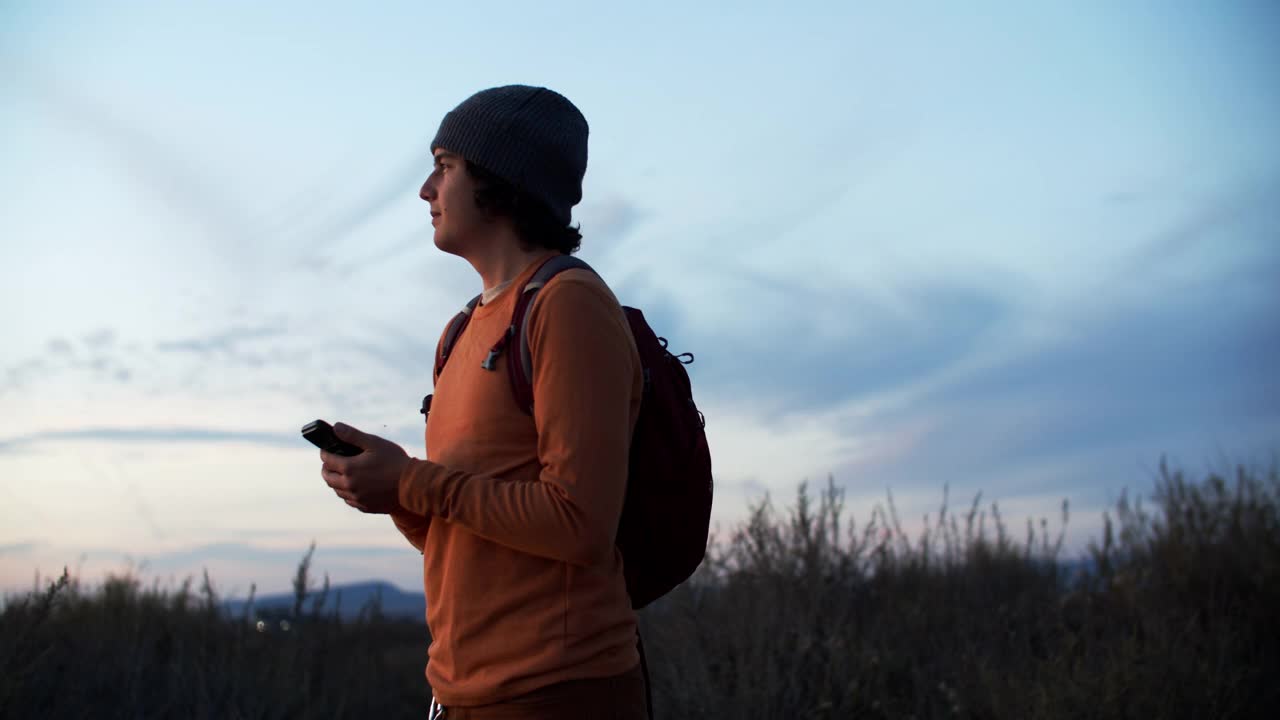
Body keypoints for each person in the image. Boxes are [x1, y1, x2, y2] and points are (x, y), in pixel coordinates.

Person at [318, 85, 649, 720]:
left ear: (500, 179)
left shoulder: (566, 305)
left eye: (444, 166)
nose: (425, 190)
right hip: (458, 693)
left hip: (559, 692)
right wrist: (393, 494)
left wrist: (415, 481)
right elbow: (467, 532)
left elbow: (579, 524)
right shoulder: (460, 332)